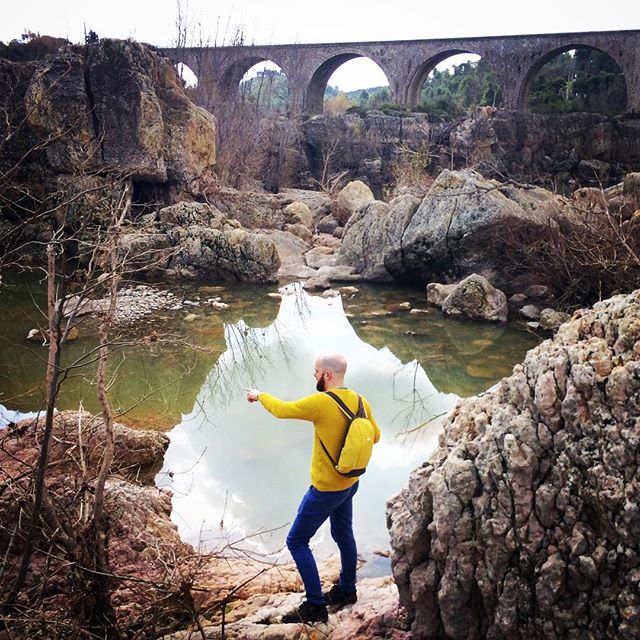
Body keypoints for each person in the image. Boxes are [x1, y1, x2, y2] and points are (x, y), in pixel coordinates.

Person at [246, 353, 380, 624]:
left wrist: (259, 395)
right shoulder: (360, 401)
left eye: (315, 372)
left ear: (327, 375)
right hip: (350, 482)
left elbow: (282, 410)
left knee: (296, 541)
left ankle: (315, 605)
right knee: (344, 535)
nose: (314, 376)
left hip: (325, 488)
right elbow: (375, 436)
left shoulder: (321, 402)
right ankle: (347, 590)